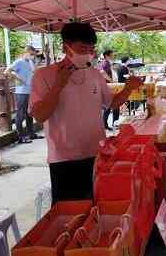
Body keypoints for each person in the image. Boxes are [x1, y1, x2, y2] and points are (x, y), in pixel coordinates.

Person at [29, 22, 143, 204]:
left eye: (91, 49)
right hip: (64, 158)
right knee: (69, 214)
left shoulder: (94, 75)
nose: (88, 54)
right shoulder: (43, 75)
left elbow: (112, 104)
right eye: (82, 48)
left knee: (97, 206)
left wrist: (128, 88)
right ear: (66, 47)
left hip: (97, 153)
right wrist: (59, 84)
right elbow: (40, 115)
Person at [4, 46, 43, 144]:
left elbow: (33, 73)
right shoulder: (19, 62)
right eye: (32, 54)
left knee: (29, 113)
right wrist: (18, 78)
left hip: (30, 91)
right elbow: (7, 71)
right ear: (26, 52)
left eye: (34, 55)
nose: (33, 56)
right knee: (20, 115)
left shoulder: (30, 62)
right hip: (21, 92)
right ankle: (21, 137)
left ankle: (31, 134)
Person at [100, 50, 116, 130]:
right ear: (107, 55)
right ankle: (104, 125)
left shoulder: (106, 62)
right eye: (112, 54)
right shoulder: (105, 62)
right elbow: (102, 72)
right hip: (107, 86)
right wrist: (110, 80)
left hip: (107, 86)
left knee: (107, 106)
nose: (113, 56)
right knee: (107, 106)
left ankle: (105, 125)